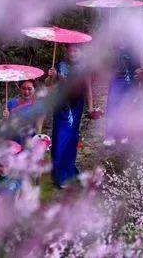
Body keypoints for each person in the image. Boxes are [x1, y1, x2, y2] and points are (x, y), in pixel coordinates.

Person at [47, 48, 98, 189]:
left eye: (76, 50)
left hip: (76, 105)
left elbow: (88, 89)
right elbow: (49, 85)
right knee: (60, 137)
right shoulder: (60, 66)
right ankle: (59, 175)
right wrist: (51, 75)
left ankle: (69, 171)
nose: (73, 53)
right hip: (62, 105)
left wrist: (91, 108)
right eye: (70, 51)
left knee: (72, 138)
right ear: (66, 52)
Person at [1, 80, 46, 146]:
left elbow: (38, 129)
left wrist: (36, 145)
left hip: (28, 143)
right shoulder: (10, 103)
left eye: (29, 89)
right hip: (11, 142)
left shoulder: (39, 106)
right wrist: (5, 118)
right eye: (23, 88)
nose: (26, 92)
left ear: (35, 89)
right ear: (20, 88)